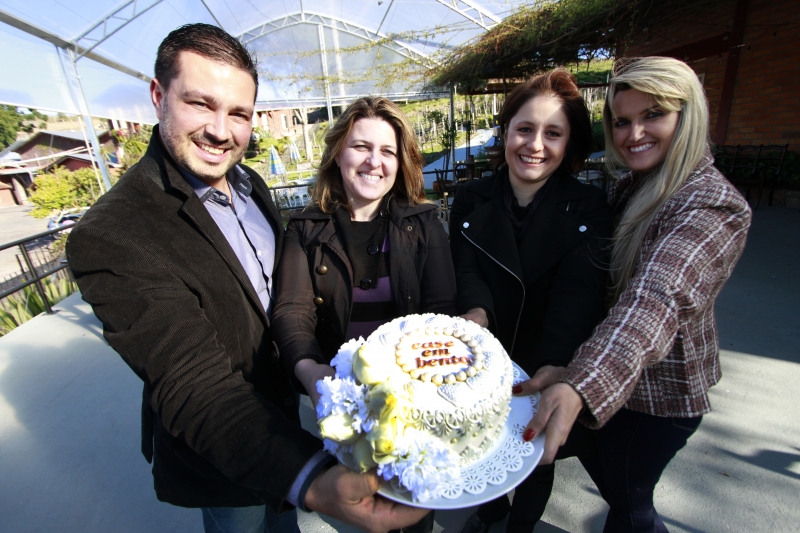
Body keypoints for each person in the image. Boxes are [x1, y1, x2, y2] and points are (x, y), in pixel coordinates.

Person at [66, 24, 427, 533]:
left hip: (284, 414)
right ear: (158, 96)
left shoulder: (248, 181)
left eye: (238, 113)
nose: (221, 130)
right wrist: (311, 479)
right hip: (227, 445)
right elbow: (195, 383)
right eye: (200, 103)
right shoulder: (114, 232)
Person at [521, 57, 752, 532]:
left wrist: (581, 383)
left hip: (655, 400)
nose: (634, 134)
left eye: (654, 115)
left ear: (689, 115)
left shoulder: (712, 205)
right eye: (622, 121)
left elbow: (656, 300)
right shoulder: (632, 185)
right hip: (605, 380)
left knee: (629, 504)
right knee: (615, 487)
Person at [272, 96, 458, 533]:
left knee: (414, 504)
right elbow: (292, 310)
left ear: (400, 162)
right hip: (346, 402)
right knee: (365, 505)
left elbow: (443, 311)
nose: (375, 161)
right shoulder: (305, 229)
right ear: (338, 153)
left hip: (414, 398)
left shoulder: (424, 223)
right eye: (361, 147)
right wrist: (309, 369)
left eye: (387, 151)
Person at [449, 70, 612, 533]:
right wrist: (476, 314)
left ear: (569, 143)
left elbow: (577, 292)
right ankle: (491, 510)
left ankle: (520, 526)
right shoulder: (471, 198)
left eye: (553, 133)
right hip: (486, 350)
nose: (535, 145)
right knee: (479, 440)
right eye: (524, 129)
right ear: (506, 132)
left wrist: (555, 362)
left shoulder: (589, 206)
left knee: (536, 452)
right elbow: (467, 269)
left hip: (547, 354)